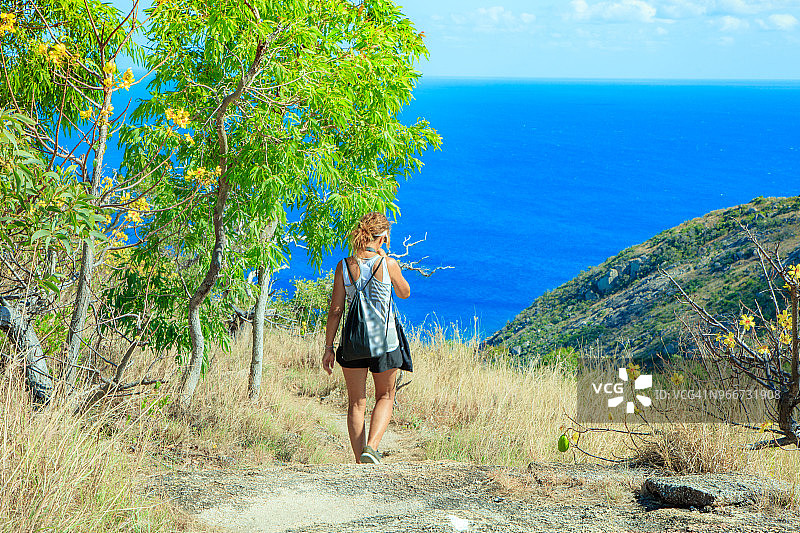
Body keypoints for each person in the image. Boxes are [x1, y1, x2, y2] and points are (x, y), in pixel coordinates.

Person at [322, 212, 410, 464]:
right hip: (386, 343)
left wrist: (329, 347)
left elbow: (336, 310)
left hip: (352, 344)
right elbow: (404, 292)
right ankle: (371, 447)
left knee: (356, 403)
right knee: (385, 396)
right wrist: (387, 260)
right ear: (383, 237)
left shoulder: (344, 266)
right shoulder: (388, 264)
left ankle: (360, 462)